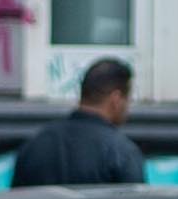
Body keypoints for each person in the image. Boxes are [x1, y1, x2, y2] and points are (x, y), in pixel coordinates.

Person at [10, 58, 146, 187]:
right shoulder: (121, 151)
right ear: (116, 99)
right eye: (128, 99)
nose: (129, 107)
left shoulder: (35, 144)